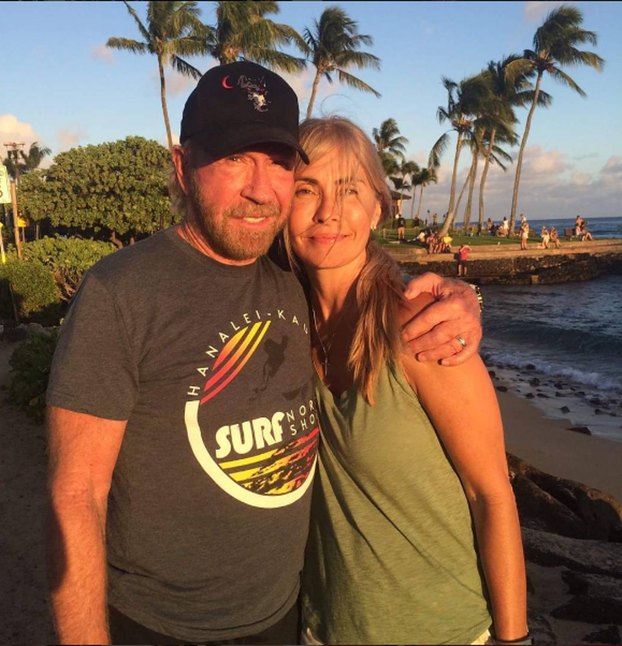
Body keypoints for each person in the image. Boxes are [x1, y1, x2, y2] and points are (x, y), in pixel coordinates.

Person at [45, 62, 483, 645]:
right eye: (234, 158)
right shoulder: (121, 292)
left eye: (278, 163)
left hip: (287, 615)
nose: (259, 188)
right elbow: (76, 495)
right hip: (162, 625)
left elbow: (355, 274)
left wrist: (459, 298)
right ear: (183, 166)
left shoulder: (289, 278)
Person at [286, 117, 528, 646]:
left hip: (442, 633)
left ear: (378, 208)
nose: (328, 211)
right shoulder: (281, 324)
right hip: (321, 630)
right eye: (307, 189)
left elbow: (491, 495)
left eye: (349, 190)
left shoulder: (424, 330)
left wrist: (516, 641)